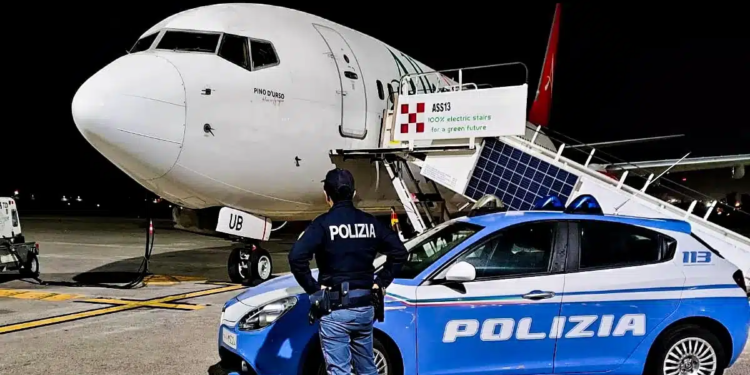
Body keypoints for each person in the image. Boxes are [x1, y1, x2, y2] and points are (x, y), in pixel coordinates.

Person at [288, 168, 408, 375]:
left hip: (335, 310)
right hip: (365, 307)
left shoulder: (323, 225)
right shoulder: (371, 223)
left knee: (339, 370)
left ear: (327, 196)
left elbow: (296, 257)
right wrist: (381, 281)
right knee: (367, 368)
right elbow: (399, 253)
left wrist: (314, 289)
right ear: (353, 193)